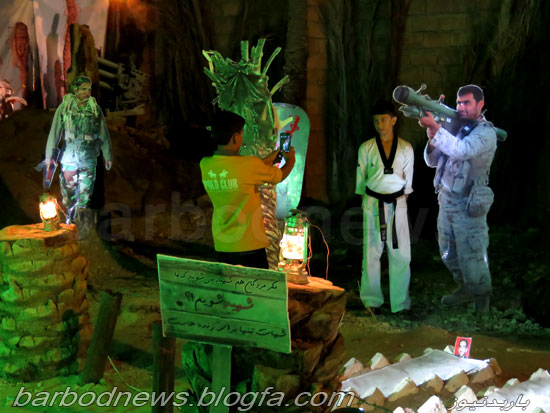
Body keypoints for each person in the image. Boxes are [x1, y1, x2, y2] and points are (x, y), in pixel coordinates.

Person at [419, 85, 497, 313]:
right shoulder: (456, 128)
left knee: (472, 251)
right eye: (459, 103)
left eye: (467, 102)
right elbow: (432, 161)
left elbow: (462, 151)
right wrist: (432, 135)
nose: (461, 107)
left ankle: (481, 299)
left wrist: (436, 128)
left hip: (468, 202)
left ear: (480, 104)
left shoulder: (486, 133)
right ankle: (465, 287)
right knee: (448, 250)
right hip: (446, 200)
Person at [200, 110, 296, 269]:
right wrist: (291, 159)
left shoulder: (205, 164)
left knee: (230, 284)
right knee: (257, 285)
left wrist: (272, 157)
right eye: (241, 134)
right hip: (249, 244)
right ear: (235, 137)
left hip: (223, 243)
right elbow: (279, 176)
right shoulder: (249, 165)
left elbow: (244, 170)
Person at [355, 101, 414, 313]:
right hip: (373, 203)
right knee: (371, 252)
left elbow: (408, 184)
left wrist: (399, 205)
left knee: (401, 254)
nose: (380, 124)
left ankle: (400, 304)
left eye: (383, 119)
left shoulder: (406, 148)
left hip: (398, 203)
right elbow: (361, 181)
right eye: (376, 121)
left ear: (393, 120)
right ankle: (371, 301)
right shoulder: (366, 148)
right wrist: (366, 203)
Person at [44, 75, 112, 238]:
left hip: (88, 157)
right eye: (83, 89)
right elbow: (55, 133)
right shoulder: (65, 107)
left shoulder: (94, 109)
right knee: (68, 195)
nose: (87, 92)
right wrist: (50, 157)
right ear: (75, 90)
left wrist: (107, 154)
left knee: (85, 196)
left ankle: (82, 234)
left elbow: (103, 133)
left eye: (89, 89)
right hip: (69, 157)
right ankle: (70, 223)